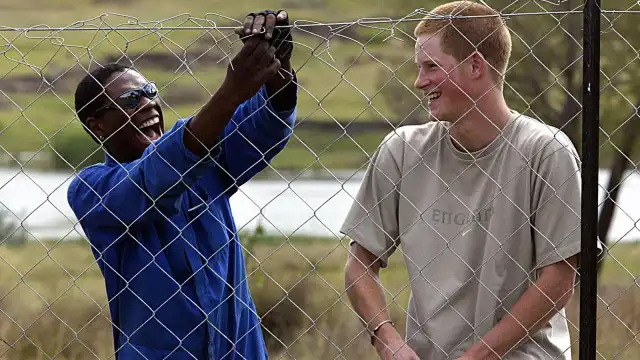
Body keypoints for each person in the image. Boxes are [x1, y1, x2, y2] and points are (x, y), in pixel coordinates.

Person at [340, 2, 591, 359]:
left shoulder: (546, 151)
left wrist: (480, 355)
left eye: (431, 67)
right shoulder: (401, 151)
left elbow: (559, 280)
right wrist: (389, 342)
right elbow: (358, 263)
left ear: (475, 65)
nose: (419, 81)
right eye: (419, 68)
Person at [67, 10, 297, 360]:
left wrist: (277, 69)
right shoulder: (92, 190)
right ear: (98, 126)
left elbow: (264, 127)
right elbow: (151, 179)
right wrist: (229, 92)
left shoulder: (208, 164)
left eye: (150, 91)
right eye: (130, 100)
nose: (148, 104)